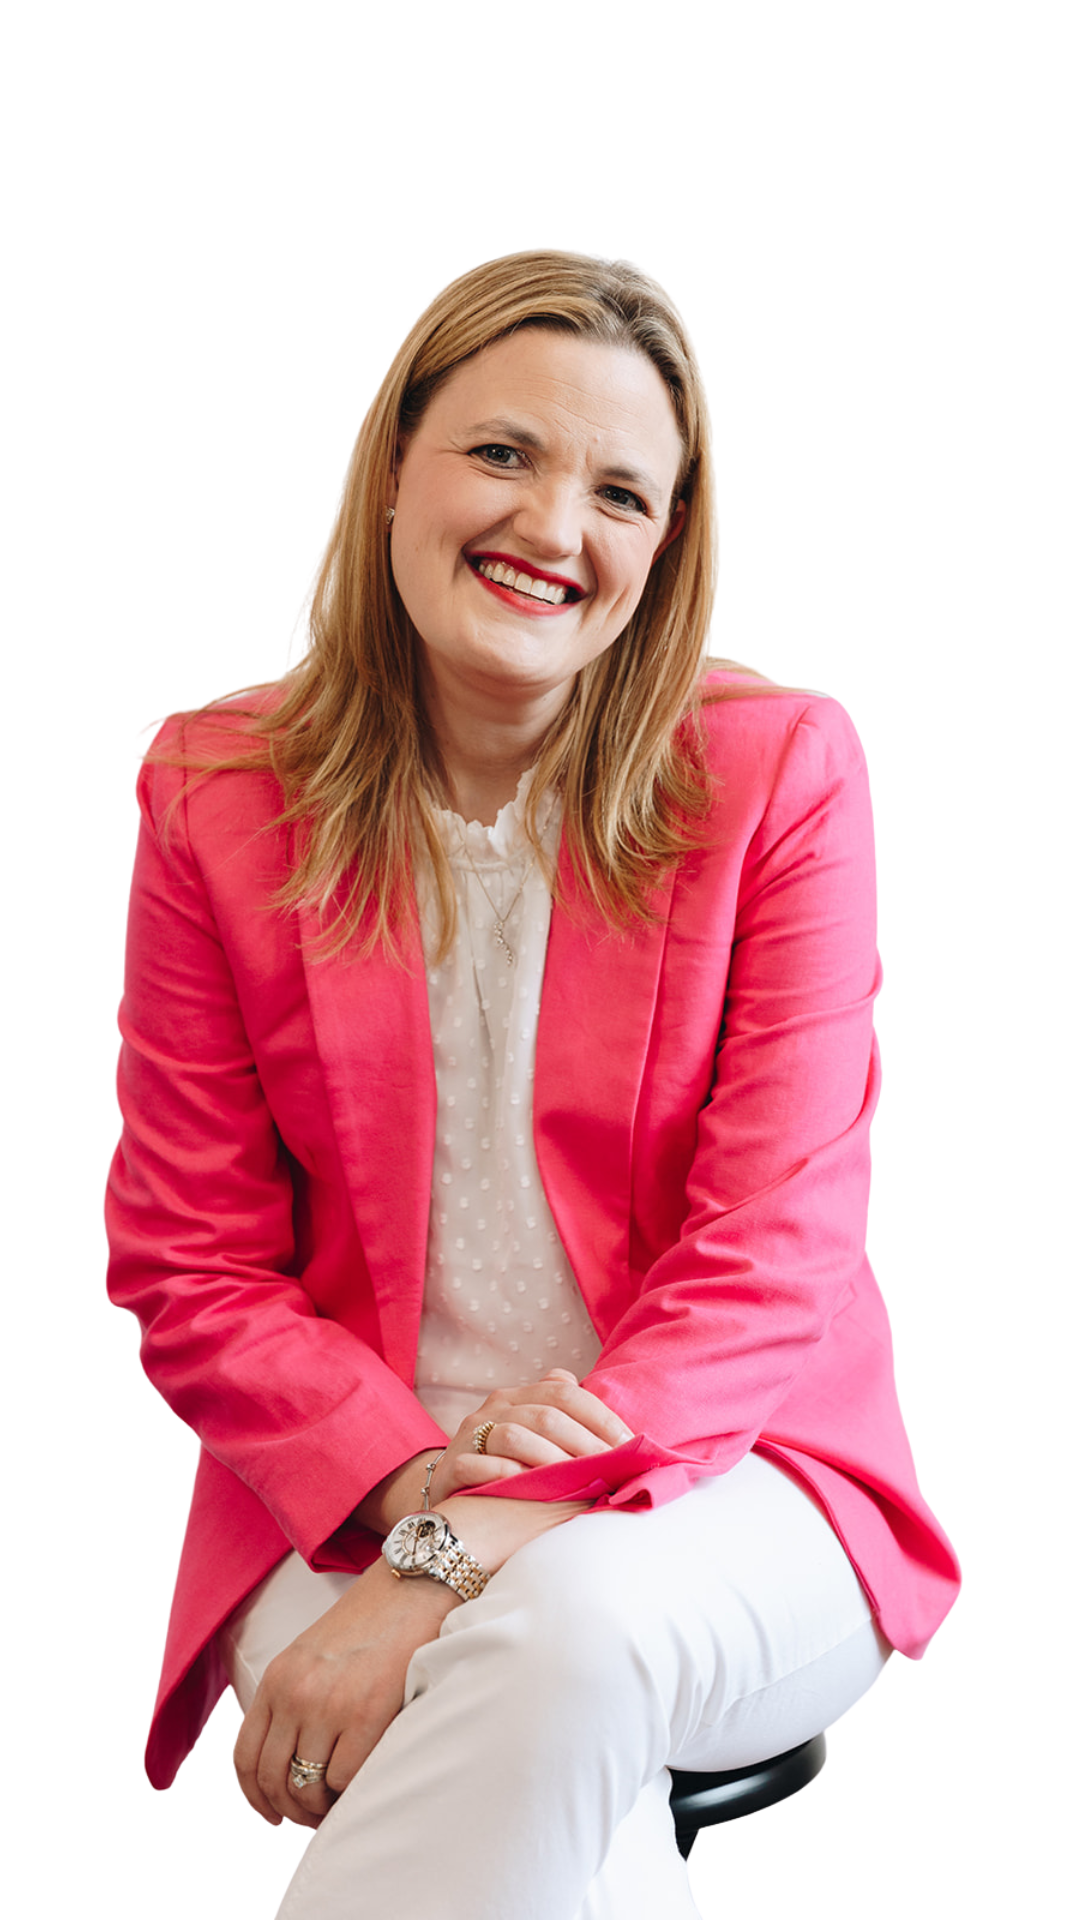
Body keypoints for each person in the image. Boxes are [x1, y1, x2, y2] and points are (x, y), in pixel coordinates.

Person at [104, 247, 961, 1920]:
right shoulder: (215, 793)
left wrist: (488, 1541)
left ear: (666, 547)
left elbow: (770, 1259)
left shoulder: (778, 774)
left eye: (621, 492)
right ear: (397, 464)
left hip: (736, 1477)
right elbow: (189, 1265)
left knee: (568, 1633)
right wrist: (425, 1497)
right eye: (504, 452)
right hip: (349, 1486)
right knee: (553, 1739)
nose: (555, 527)